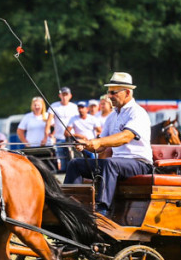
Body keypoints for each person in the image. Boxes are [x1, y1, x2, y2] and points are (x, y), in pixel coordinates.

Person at [64, 72, 153, 216]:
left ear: (127, 92)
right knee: (75, 164)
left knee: (109, 163)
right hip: (118, 165)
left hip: (139, 163)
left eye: (113, 92)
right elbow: (102, 145)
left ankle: (101, 210)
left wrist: (98, 141)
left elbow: (125, 137)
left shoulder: (138, 113)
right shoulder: (113, 116)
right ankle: (69, 207)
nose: (109, 96)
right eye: (108, 92)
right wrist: (87, 144)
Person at [49, 86, 78, 170]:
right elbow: (49, 121)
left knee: (72, 158)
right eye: (63, 94)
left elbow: (77, 121)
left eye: (66, 94)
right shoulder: (54, 106)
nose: (64, 97)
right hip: (59, 138)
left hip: (71, 138)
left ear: (70, 96)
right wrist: (49, 133)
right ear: (60, 96)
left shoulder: (74, 107)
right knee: (61, 159)